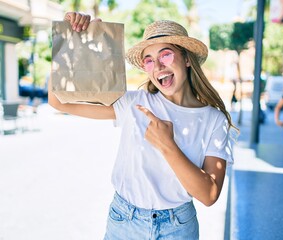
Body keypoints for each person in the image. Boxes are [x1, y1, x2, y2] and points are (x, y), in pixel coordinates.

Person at [49, 12, 238, 240]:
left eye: (165, 55)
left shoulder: (213, 120)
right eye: (148, 60)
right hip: (124, 222)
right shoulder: (134, 103)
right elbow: (58, 101)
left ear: (187, 59)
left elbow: (209, 194)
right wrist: (77, 42)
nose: (157, 66)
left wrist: (167, 145)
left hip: (178, 227)